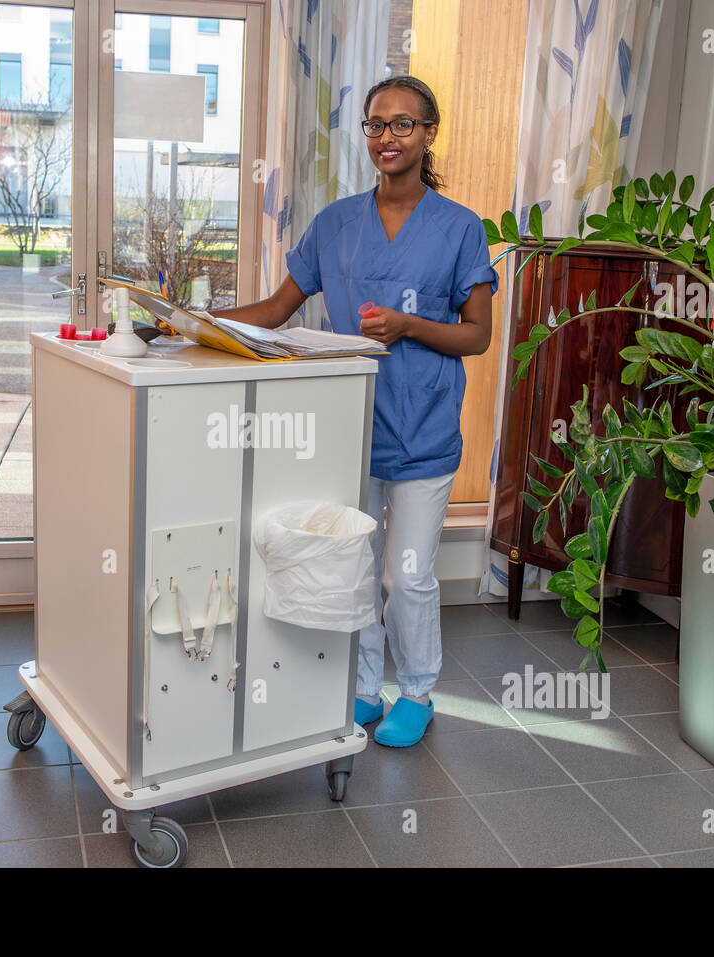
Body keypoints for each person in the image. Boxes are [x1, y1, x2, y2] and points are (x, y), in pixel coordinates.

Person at [214, 75, 497, 748]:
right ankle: (367, 686)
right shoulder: (336, 223)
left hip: (424, 427)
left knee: (410, 572)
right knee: (357, 564)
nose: (387, 137)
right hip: (349, 427)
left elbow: (477, 334)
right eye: (375, 124)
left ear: (430, 134)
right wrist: (193, 318)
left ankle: (419, 688)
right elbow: (275, 310)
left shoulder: (459, 228)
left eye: (403, 124)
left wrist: (409, 324)